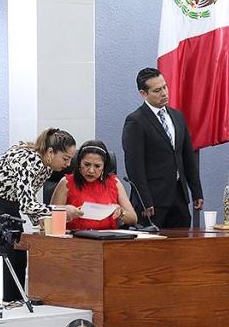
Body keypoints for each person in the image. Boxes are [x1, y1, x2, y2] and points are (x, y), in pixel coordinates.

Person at [0, 128, 77, 301]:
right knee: (5, 256)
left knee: (20, 256)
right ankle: (2, 303)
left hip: (10, 205)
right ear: (51, 152)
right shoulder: (29, 160)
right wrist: (62, 210)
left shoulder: (46, 167)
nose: (68, 164)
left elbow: (27, 196)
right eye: (65, 158)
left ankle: (17, 302)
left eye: (71, 159)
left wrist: (39, 220)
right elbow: (27, 204)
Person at [122, 67, 203, 229]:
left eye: (165, 87)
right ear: (143, 93)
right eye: (157, 90)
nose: (164, 93)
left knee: (182, 240)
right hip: (153, 200)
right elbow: (134, 166)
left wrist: (196, 191)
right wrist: (144, 200)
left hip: (179, 197)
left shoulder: (177, 116)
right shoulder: (136, 121)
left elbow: (187, 157)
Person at [50, 140, 138, 230]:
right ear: (79, 163)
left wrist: (121, 213)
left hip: (107, 236)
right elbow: (50, 216)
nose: (91, 170)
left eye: (97, 166)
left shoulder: (114, 183)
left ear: (104, 167)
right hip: (75, 237)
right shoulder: (66, 182)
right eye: (86, 164)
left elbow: (133, 219)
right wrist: (65, 210)